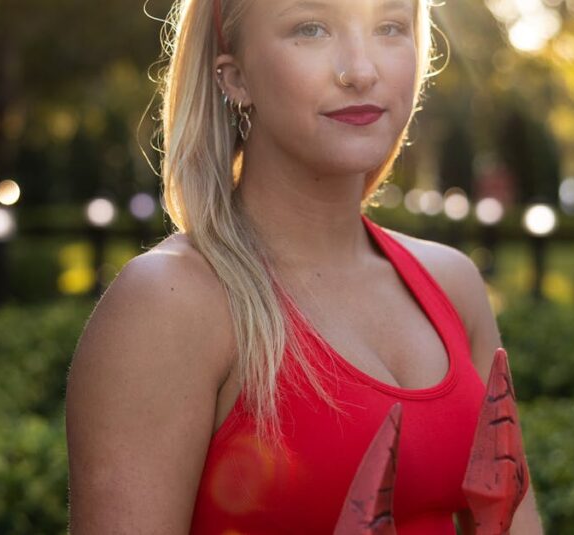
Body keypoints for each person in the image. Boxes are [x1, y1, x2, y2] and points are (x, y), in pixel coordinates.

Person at [65, 0, 544, 532]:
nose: (361, 71)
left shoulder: (452, 284)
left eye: (389, 27)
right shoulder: (169, 303)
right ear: (236, 77)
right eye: (310, 29)